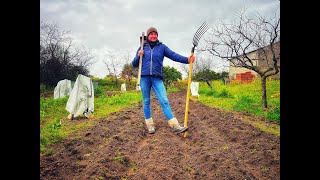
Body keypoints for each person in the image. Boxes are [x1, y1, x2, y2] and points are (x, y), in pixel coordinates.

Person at [132, 27, 195, 134]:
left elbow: (173, 55)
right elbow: (134, 64)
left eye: (155, 34)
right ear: (147, 36)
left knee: (164, 100)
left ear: (157, 36)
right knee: (146, 101)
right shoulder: (142, 47)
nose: (153, 36)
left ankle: (174, 125)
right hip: (144, 77)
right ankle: (150, 125)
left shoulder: (162, 47)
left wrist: (187, 60)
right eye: (151, 34)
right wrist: (139, 56)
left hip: (157, 77)